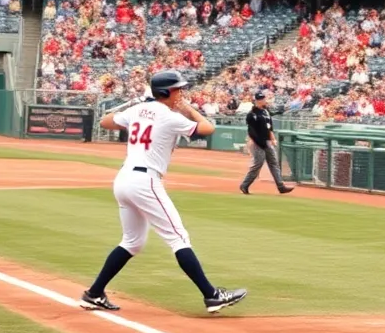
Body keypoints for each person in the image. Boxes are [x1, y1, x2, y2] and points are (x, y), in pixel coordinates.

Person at [80, 70, 246, 314]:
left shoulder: (138, 110)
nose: (181, 93)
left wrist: (138, 108)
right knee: (178, 238)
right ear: (167, 92)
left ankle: (93, 293)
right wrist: (187, 108)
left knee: (132, 242)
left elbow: (105, 121)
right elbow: (208, 128)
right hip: (145, 181)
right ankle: (211, 295)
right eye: (178, 89)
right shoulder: (169, 116)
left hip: (124, 179)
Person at [239, 91, 293, 195]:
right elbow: (251, 131)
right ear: (256, 101)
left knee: (274, 164)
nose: (262, 100)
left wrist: (272, 139)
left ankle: (281, 186)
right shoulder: (252, 114)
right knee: (257, 164)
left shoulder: (266, 112)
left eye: (263, 99)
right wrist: (256, 142)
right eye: (260, 99)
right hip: (257, 142)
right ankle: (245, 185)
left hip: (266, 141)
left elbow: (269, 127)